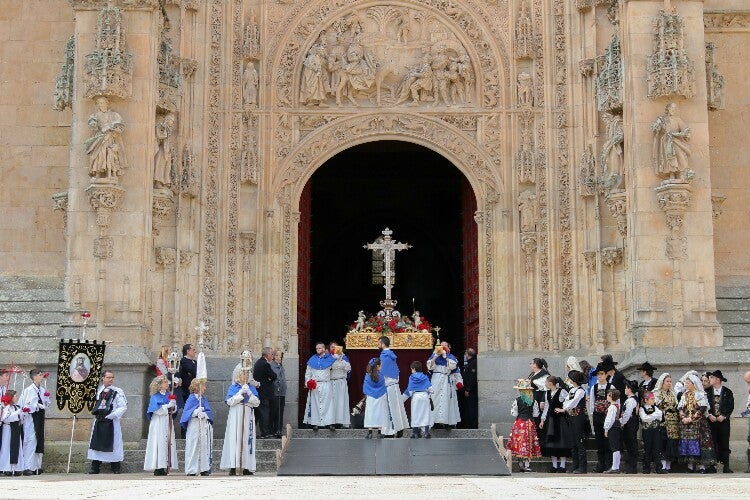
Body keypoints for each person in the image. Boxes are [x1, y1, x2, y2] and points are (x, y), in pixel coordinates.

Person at [221, 366, 260, 475]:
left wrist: (249, 393)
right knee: (235, 438)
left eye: (247, 374)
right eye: (244, 374)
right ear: (239, 375)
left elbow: (257, 403)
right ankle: (233, 466)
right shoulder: (233, 387)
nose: (246, 376)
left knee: (247, 439)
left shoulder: (251, 388)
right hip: (236, 414)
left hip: (247, 413)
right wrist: (239, 394)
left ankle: (247, 466)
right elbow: (229, 402)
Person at [88, 370, 127, 474]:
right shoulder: (98, 391)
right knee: (97, 441)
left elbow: (123, 406)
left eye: (112, 377)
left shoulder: (117, 392)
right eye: (108, 377)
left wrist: (112, 415)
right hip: (99, 420)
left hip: (111, 422)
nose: (111, 379)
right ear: (103, 378)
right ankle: (95, 467)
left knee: (113, 443)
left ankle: (115, 467)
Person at [678, 374, 715, 473]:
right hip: (686, 423)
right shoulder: (684, 395)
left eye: (688, 383)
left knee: (701, 443)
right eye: (685, 382)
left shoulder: (701, 394)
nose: (686, 384)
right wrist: (683, 417)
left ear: (693, 384)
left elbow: (703, 409)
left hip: (698, 423)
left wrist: (691, 418)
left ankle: (702, 467)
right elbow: (680, 408)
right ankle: (690, 466)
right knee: (688, 443)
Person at [85, 96, 126, 179]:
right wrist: (93, 125)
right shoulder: (96, 115)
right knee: (99, 155)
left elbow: (120, 127)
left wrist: (113, 128)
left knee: (109, 154)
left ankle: (109, 173)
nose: (101, 105)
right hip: (99, 138)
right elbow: (93, 126)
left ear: (107, 103)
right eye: (99, 103)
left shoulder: (114, 115)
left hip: (110, 138)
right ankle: (97, 172)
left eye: (102, 103)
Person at [144, 375, 178, 476]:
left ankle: (164, 465)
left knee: (166, 443)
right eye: (164, 382)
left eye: (166, 382)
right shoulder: (155, 397)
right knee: (158, 442)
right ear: (159, 385)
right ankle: (157, 467)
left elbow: (174, 410)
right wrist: (167, 406)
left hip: (167, 420)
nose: (166, 384)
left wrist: (174, 406)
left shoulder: (169, 395)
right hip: (158, 422)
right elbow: (156, 410)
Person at [558, 370, 589, 474]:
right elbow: (566, 400)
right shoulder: (572, 390)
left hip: (578, 417)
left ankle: (582, 467)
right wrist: (565, 407)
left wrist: (565, 408)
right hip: (571, 417)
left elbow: (574, 402)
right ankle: (575, 465)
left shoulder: (580, 391)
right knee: (573, 442)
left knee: (579, 441)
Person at [181, 378, 213, 476]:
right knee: (193, 446)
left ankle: (204, 468)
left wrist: (204, 414)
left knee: (204, 446)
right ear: (198, 387)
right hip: (194, 425)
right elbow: (186, 413)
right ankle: (192, 469)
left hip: (203, 424)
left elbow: (209, 412)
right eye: (203, 386)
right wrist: (195, 412)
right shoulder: (191, 399)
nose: (205, 388)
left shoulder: (203, 399)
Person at [20, 369, 50, 475]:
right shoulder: (29, 390)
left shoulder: (42, 389)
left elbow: (46, 403)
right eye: (40, 375)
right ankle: (27, 466)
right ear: (34, 377)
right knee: (30, 441)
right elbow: (27, 405)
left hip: (40, 417)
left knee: (39, 441)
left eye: (42, 375)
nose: (42, 377)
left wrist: (46, 400)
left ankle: (36, 466)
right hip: (31, 419)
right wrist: (36, 405)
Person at [378, 336, 409, 437]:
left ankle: (390, 431)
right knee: (397, 408)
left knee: (389, 408)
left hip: (388, 385)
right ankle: (399, 429)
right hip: (394, 385)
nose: (378, 345)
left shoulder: (384, 355)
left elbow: (382, 372)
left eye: (379, 343)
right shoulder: (391, 354)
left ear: (383, 343)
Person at [508, 378, 540, 472]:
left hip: (519, 423)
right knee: (528, 443)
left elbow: (514, 413)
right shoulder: (533, 401)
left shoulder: (517, 400)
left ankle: (521, 463)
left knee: (518, 443)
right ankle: (527, 464)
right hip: (529, 423)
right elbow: (536, 414)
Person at [427, 341, 461, 429]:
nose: (443, 347)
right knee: (435, 400)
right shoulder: (434, 355)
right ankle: (435, 422)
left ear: (448, 348)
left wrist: (445, 357)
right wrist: (435, 356)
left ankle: (447, 422)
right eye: (441, 346)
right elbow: (429, 366)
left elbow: (453, 366)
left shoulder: (451, 357)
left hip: (446, 380)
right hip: (436, 380)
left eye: (445, 346)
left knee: (446, 400)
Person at [539, 376, 570, 472]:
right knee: (551, 442)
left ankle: (563, 465)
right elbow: (547, 407)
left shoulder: (562, 392)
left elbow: (568, 402)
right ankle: (554, 465)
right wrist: (542, 419)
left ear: (551, 383)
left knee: (561, 442)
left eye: (546, 382)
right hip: (551, 420)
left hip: (560, 420)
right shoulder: (547, 393)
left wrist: (563, 409)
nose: (545, 384)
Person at [303, 342, 336, 431]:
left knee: (328, 405)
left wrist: (338, 356)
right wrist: (308, 383)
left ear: (324, 349)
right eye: (317, 348)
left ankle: (329, 423)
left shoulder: (331, 359)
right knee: (315, 405)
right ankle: (315, 423)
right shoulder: (312, 359)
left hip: (326, 384)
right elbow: (308, 373)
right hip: (315, 385)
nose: (318, 350)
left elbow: (337, 369)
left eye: (320, 348)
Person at [707, 369, 734, 473]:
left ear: (717, 379)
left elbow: (730, 406)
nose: (710, 379)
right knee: (712, 443)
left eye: (712, 378)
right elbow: (705, 405)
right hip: (712, 422)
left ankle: (726, 466)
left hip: (723, 422)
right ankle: (712, 466)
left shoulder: (727, 391)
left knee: (724, 443)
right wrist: (709, 415)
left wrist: (724, 415)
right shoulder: (707, 391)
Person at [589, 362, 613, 472]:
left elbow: (615, 402)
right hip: (597, 416)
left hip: (607, 416)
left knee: (607, 439)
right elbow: (592, 403)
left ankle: (609, 463)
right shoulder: (594, 387)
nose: (599, 376)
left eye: (602, 374)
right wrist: (592, 415)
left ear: (606, 375)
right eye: (598, 374)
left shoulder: (611, 387)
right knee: (599, 440)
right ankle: (601, 463)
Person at [653, 372, 680, 472]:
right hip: (663, 421)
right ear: (662, 382)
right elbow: (654, 406)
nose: (669, 383)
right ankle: (662, 465)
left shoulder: (673, 393)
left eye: (670, 381)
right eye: (667, 381)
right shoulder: (656, 393)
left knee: (672, 442)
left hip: (673, 421)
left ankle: (668, 465)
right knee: (663, 442)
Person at [403, 361, 433, 438]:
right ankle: (426, 432)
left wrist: (402, 399)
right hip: (425, 396)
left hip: (416, 396)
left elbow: (410, 390)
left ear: (413, 369)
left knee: (415, 414)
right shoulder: (425, 376)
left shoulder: (412, 377)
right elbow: (430, 389)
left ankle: (415, 432)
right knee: (425, 414)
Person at [252, 347, 277, 438]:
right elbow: (274, 376)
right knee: (264, 412)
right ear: (268, 355)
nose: (273, 357)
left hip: (258, 392)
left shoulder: (258, 363)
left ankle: (254, 432)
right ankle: (265, 432)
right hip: (264, 393)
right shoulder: (265, 364)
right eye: (272, 354)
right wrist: (269, 379)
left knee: (258, 413)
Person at [639, 391, 665, 474]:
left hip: (656, 431)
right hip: (647, 432)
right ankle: (646, 468)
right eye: (652, 398)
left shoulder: (655, 408)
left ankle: (659, 467)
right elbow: (644, 418)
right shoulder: (642, 409)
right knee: (647, 449)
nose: (654, 400)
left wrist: (651, 416)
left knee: (657, 449)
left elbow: (660, 416)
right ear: (646, 400)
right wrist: (654, 416)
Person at [0, 390, 25, 476]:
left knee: (17, 447)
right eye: (15, 396)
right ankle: (6, 468)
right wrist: (16, 413)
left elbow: (20, 419)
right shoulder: (6, 407)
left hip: (15, 429)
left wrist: (23, 414)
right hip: (8, 429)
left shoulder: (16, 407)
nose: (16, 397)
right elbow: (5, 418)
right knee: (7, 448)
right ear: (11, 397)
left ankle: (16, 468)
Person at [329, 341, 351, 429]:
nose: (333, 349)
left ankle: (343, 422)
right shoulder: (327, 357)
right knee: (332, 403)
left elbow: (348, 369)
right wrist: (334, 359)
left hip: (341, 382)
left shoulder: (344, 357)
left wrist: (340, 359)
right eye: (331, 347)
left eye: (335, 347)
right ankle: (332, 422)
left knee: (342, 401)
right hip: (331, 382)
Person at [362, 358, 386, 439]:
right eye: (381, 365)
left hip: (370, 397)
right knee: (380, 414)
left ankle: (370, 433)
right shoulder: (382, 375)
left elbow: (365, 387)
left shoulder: (367, 375)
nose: (382, 366)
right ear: (378, 366)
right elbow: (384, 386)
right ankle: (379, 433)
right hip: (380, 396)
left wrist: (369, 392)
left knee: (370, 414)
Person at [620, 380, 640, 474]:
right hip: (631, 423)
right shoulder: (631, 399)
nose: (625, 389)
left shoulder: (631, 400)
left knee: (631, 444)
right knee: (630, 444)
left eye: (626, 388)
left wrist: (622, 422)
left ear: (629, 389)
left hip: (630, 423)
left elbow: (627, 414)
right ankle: (631, 466)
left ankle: (632, 467)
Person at [603, 389, 622, 474]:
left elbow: (609, 419)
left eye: (608, 395)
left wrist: (606, 429)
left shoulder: (612, 407)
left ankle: (615, 467)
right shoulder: (617, 406)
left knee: (614, 447)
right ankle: (616, 466)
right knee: (616, 447)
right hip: (616, 426)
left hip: (612, 427)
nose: (607, 396)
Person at [269, 350, 287, 438]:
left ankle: (279, 430)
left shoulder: (281, 366)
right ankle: (273, 431)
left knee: (280, 412)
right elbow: (274, 378)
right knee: (274, 412)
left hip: (282, 393)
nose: (281, 358)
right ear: (275, 356)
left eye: (281, 356)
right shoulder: (272, 366)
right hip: (276, 393)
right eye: (280, 356)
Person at [461, 348, 478, 429]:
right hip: (468, 390)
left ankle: (473, 425)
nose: (465, 356)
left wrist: (468, 389)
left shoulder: (473, 363)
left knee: (472, 408)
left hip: (472, 391)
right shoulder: (469, 363)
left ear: (467, 355)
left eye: (465, 354)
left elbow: (472, 377)